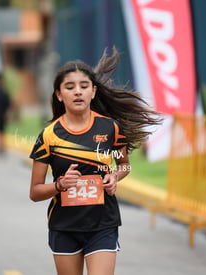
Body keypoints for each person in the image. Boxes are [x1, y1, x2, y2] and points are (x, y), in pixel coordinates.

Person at [29, 47, 162, 275]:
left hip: (103, 224)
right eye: (70, 87)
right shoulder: (49, 136)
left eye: (84, 86)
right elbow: (35, 191)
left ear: (93, 92)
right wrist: (60, 185)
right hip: (64, 227)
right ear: (59, 94)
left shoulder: (110, 128)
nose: (77, 92)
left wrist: (115, 176)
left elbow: (124, 165)